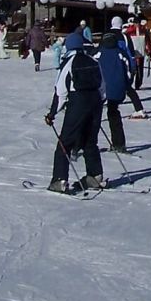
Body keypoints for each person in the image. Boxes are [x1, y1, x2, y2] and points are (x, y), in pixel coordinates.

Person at [43, 31, 106, 193]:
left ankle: (60, 180)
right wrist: (98, 103)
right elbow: (103, 86)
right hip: (95, 101)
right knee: (90, 141)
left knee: (65, 142)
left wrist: (52, 114)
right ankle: (95, 176)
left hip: (78, 101)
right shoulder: (93, 61)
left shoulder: (69, 63)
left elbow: (61, 92)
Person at [98, 29, 134, 153]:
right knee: (114, 114)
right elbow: (129, 70)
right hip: (117, 89)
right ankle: (119, 143)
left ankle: (88, 144)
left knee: (94, 116)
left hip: (99, 90)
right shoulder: (121, 53)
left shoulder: (98, 53)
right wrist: (126, 85)